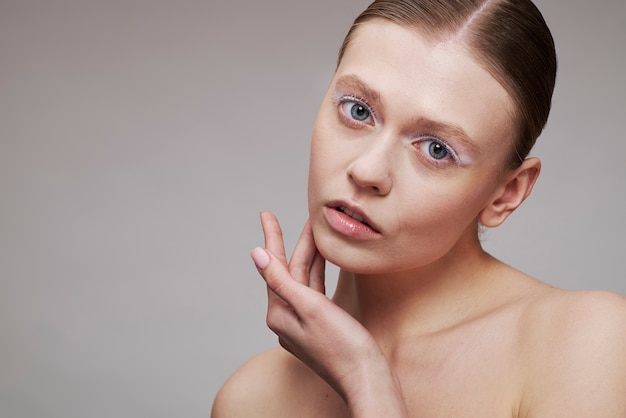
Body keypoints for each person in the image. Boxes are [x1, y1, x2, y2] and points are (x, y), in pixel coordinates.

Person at [212, 0, 626, 416]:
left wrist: (366, 379)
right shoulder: (251, 400)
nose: (367, 170)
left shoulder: (587, 344)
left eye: (436, 149)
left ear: (506, 193)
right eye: (358, 110)